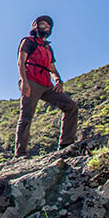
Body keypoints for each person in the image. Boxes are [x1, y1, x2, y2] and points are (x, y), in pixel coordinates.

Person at [15, 15, 78, 158]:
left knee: (71, 106)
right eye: (43, 24)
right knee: (26, 116)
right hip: (31, 81)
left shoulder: (48, 48)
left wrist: (58, 81)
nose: (46, 27)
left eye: (48, 26)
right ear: (36, 27)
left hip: (47, 84)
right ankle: (20, 154)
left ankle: (66, 145)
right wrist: (24, 81)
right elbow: (21, 62)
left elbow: (53, 69)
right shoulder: (28, 41)